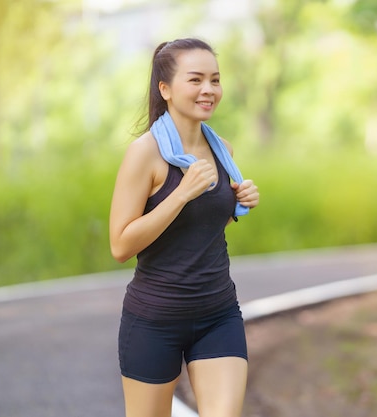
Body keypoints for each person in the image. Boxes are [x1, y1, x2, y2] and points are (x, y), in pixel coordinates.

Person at [109, 38, 259, 417]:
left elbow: (201, 229)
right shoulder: (145, 154)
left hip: (218, 314)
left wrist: (238, 203)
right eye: (195, 80)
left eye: (215, 80)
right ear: (166, 89)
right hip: (153, 320)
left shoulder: (221, 149)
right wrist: (180, 194)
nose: (208, 90)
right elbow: (121, 245)